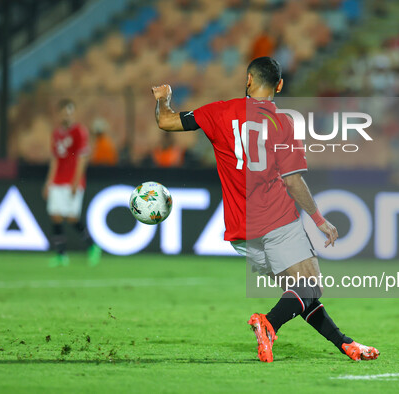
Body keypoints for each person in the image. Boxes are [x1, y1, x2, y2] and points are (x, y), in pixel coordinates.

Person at [152, 57, 379, 363]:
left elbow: (165, 121)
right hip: (277, 220)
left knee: (299, 295)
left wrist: (163, 101)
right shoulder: (283, 124)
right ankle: (269, 324)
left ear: (248, 79)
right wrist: (318, 219)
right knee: (309, 287)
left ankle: (346, 344)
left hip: (241, 233)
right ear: (280, 85)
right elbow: (294, 180)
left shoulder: (216, 111)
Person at [43, 99, 101, 267]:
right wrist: (48, 182)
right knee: (55, 215)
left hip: (71, 180)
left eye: (70, 111)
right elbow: (55, 159)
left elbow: (83, 158)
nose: (67, 115)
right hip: (57, 180)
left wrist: (76, 181)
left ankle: (93, 247)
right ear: (59, 113)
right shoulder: (56, 133)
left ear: (73, 113)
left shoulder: (79, 131)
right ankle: (61, 255)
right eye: (64, 112)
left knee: (71, 217)